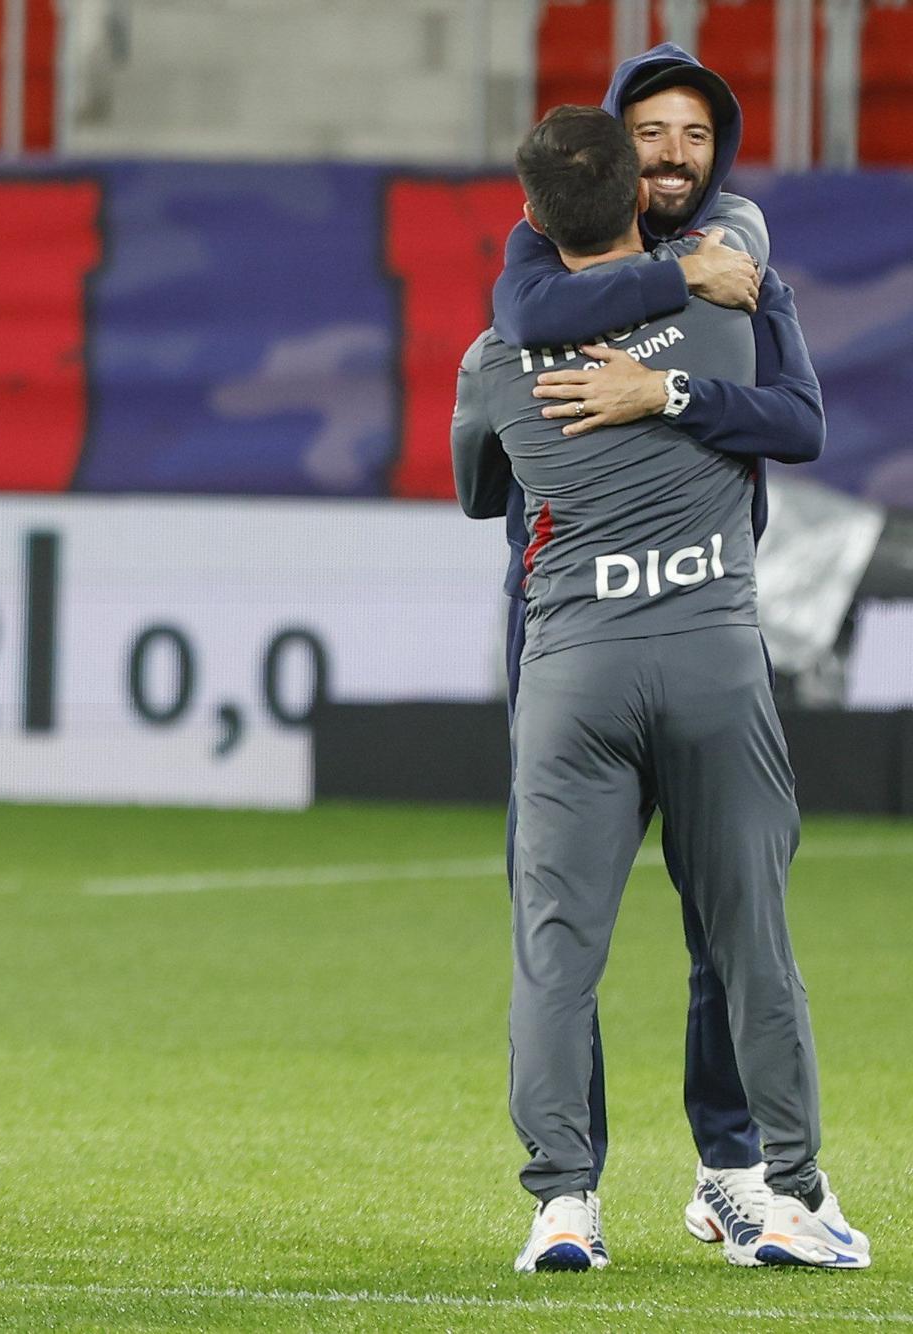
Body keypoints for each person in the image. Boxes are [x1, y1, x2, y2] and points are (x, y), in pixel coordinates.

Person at [452, 105, 869, 1273]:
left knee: (554, 949)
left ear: (531, 217)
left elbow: (479, 487)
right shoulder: (730, 304)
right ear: (638, 194)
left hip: (572, 663)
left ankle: (561, 1203)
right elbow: (794, 422)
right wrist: (675, 387)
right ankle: (784, 1191)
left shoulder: (491, 356)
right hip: (707, 651)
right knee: (750, 939)